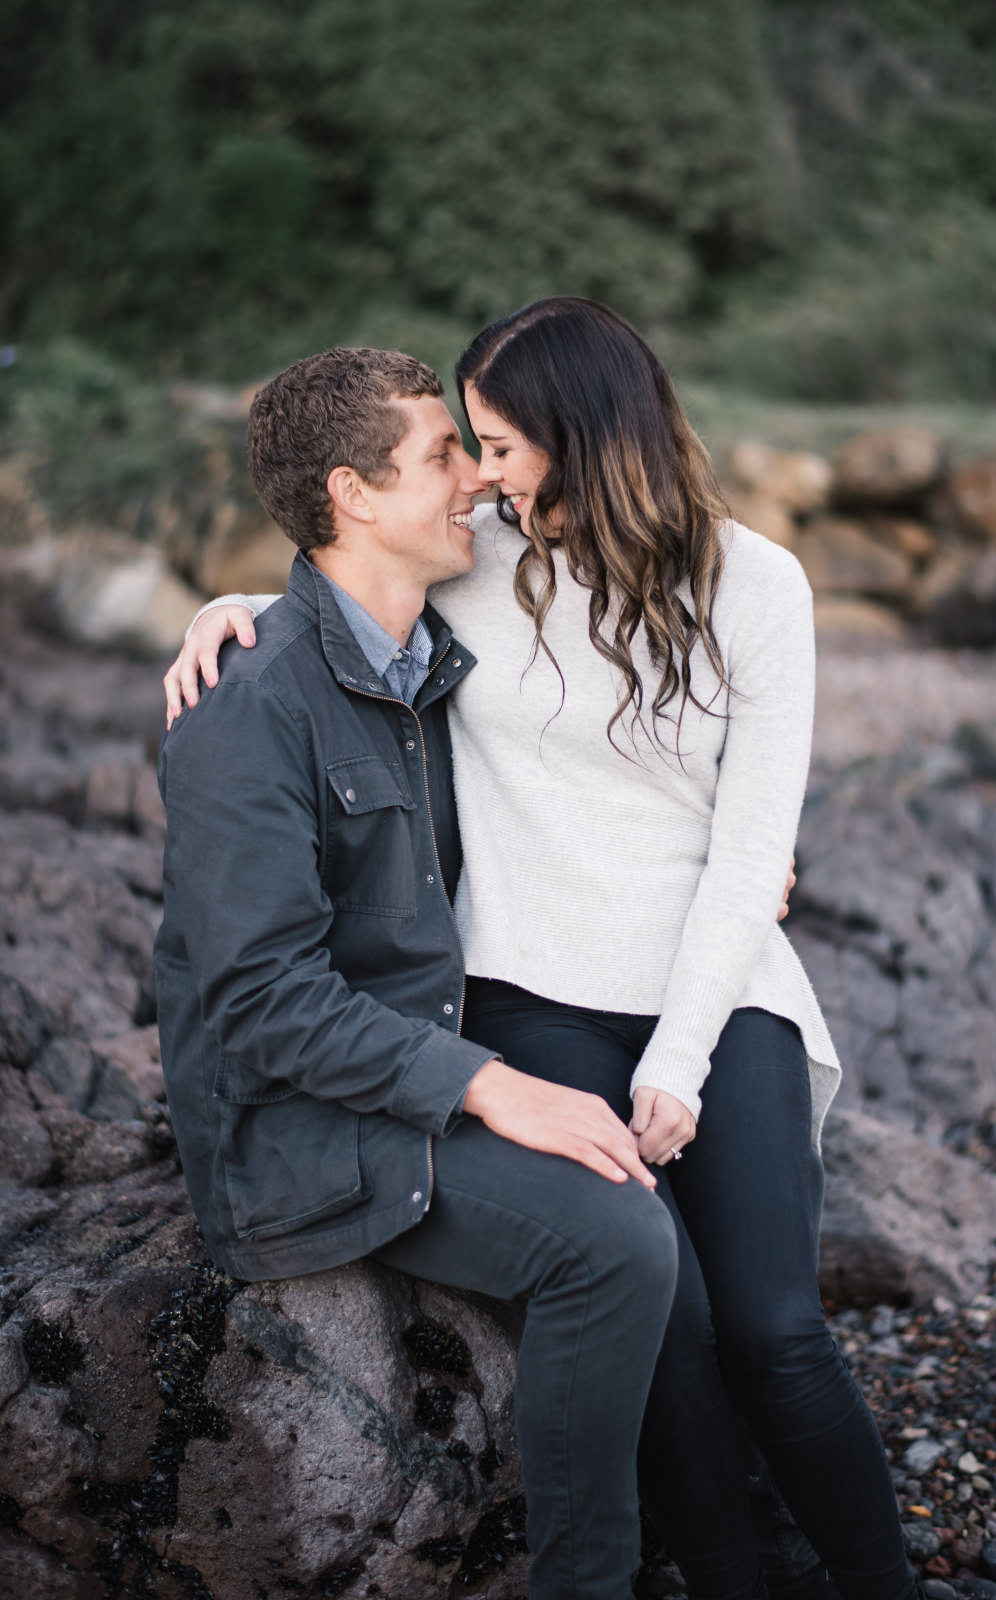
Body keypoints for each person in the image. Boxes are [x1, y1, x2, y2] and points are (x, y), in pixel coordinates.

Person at [165, 300, 918, 1600]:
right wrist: (226, 610)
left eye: (501, 445)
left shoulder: (758, 585)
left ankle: (886, 1582)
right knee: (666, 1307)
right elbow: (344, 588)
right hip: (529, 988)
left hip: (715, 988)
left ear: (585, 432)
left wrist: (678, 1059)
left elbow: (753, 853)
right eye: (463, 448)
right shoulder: (485, 563)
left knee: (777, 1330)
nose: (481, 474)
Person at [154, 343, 682, 1600]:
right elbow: (260, 1000)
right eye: (444, 452)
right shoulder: (250, 704)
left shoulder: (430, 657)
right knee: (617, 1240)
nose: (476, 479)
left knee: (666, 1187)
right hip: (297, 1133)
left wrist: (748, 860)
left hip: (408, 1072)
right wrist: (494, 1088)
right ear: (352, 492)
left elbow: (623, 732)